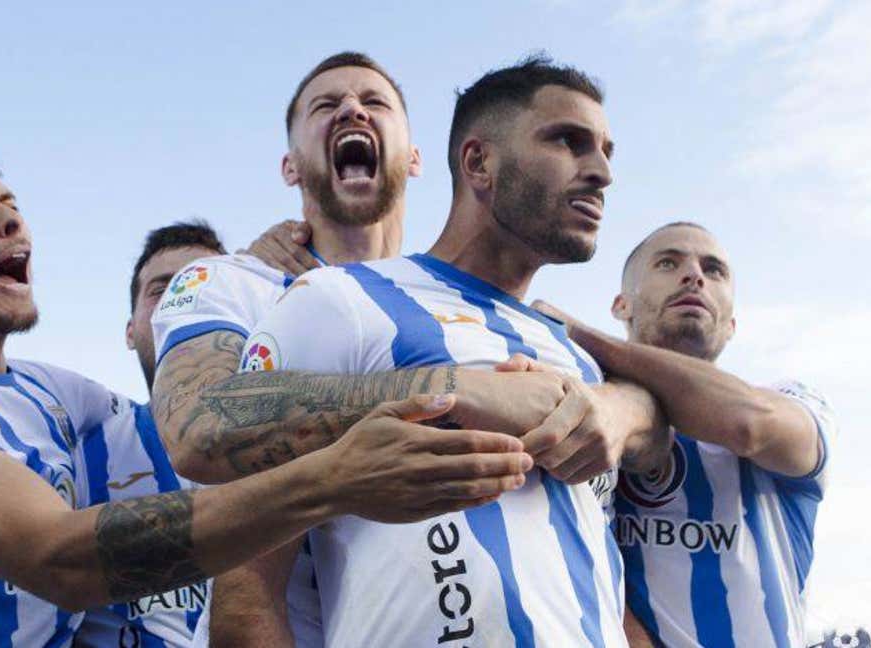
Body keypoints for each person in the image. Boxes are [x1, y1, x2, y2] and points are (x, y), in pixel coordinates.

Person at [0, 137, 535, 646]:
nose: (12, 218)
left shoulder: (59, 400)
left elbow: (221, 429)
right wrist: (336, 481)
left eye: (8, 202)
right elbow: (62, 561)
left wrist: (248, 286)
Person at [148, 52, 587, 647]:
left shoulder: (481, 313)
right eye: (325, 105)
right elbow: (198, 427)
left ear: (415, 158)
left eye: (374, 102)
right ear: (289, 166)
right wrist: (454, 389)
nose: (352, 108)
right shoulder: (233, 284)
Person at [235, 55, 670, 646]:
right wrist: (454, 394)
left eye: (606, 151)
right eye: (569, 142)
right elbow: (247, 586)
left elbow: (599, 550)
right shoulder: (344, 301)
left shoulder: (575, 355)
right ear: (479, 162)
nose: (600, 172)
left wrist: (623, 412)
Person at [558, 222, 837, 647]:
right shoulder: (593, 413)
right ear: (621, 305)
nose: (694, 275)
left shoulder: (794, 401)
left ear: (731, 325)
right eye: (668, 263)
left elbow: (749, 424)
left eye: (714, 270)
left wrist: (580, 336)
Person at [72, 220, 227, 647]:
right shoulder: (83, 453)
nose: (183, 304)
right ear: (130, 330)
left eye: (206, 287)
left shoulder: (301, 443)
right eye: (162, 290)